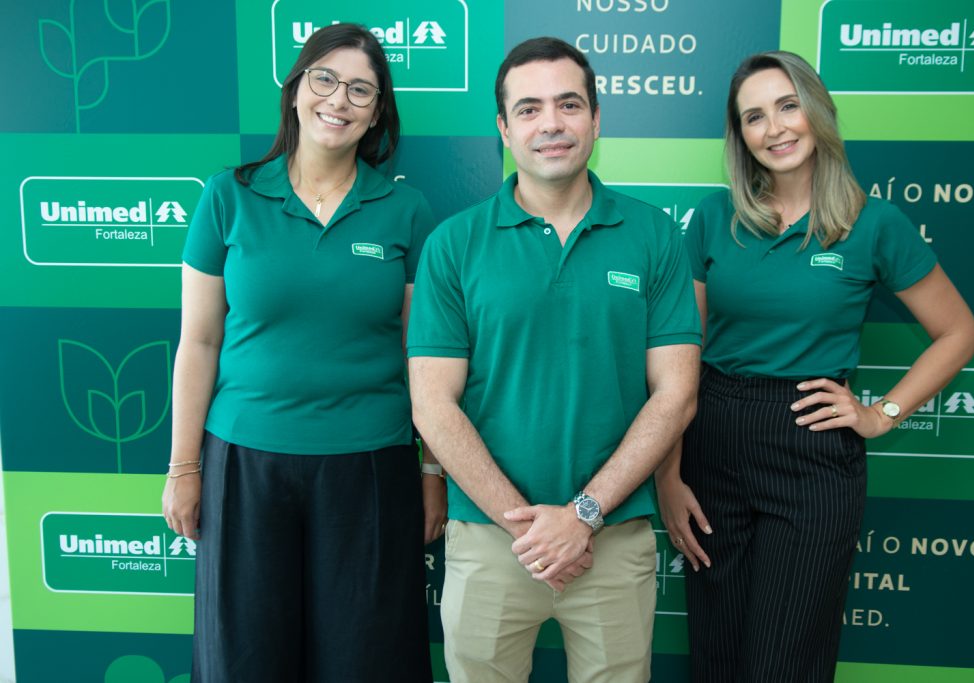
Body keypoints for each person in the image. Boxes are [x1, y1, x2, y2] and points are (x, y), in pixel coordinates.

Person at [656, 50, 974, 682]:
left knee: (785, 666)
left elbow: (959, 332)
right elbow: (679, 362)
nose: (774, 128)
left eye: (787, 106)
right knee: (717, 660)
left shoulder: (874, 223)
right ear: (740, 135)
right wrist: (668, 476)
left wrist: (880, 413)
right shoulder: (712, 218)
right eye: (754, 117)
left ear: (817, 111)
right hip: (712, 438)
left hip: (812, 449)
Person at [407, 36, 702, 683]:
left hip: (614, 536)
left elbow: (676, 393)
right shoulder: (453, 244)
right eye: (530, 108)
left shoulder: (653, 235)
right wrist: (534, 530)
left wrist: (583, 515)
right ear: (504, 128)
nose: (552, 123)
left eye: (569, 104)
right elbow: (431, 401)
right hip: (488, 542)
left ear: (596, 118)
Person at [160, 23, 445, 682]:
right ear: (295, 89)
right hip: (244, 466)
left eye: (360, 90)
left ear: (377, 112)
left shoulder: (405, 210)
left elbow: (421, 358)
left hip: (369, 467)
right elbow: (199, 341)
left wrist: (432, 471)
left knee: (365, 661)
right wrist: (183, 466)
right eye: (325, 79)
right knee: (244, 661)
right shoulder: (227, 196)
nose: (338, 100)